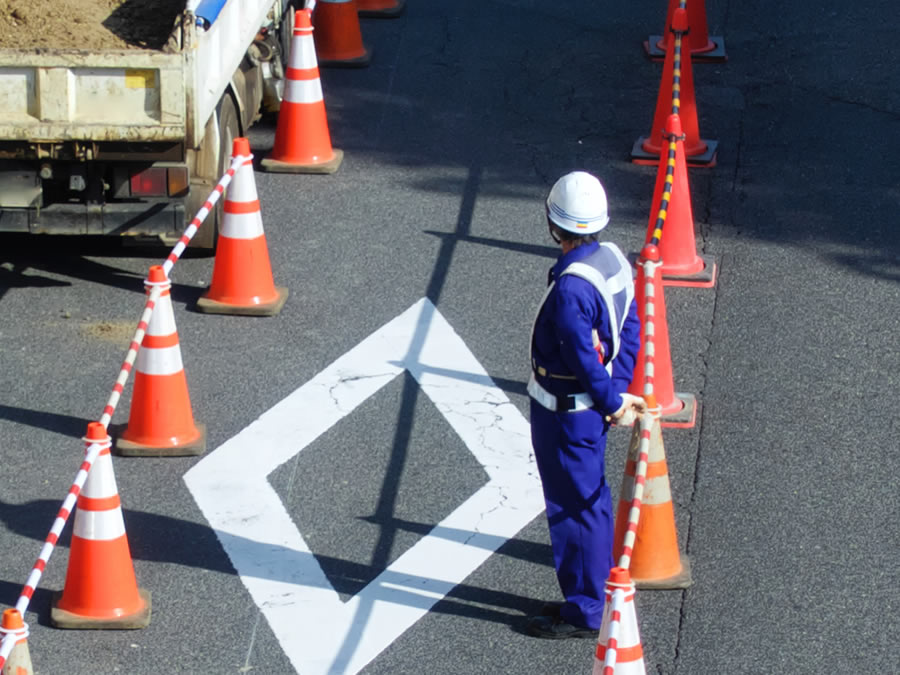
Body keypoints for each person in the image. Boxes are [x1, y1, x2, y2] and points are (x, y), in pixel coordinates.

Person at [526, 170, 647, 639]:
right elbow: (631, 323)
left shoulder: (572, 288)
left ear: (555, 227)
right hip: (590, 408)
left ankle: (586, 609)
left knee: (573, 509)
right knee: (590, 503)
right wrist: (616, 390)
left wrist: (610, 401)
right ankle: (594, 590)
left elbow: (578, 355)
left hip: (565, 411)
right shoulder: (613, 260)